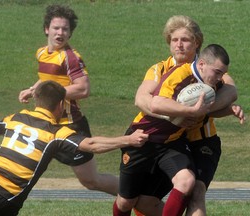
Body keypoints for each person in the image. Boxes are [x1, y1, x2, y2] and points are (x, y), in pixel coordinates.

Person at [0, 80, 148, 216]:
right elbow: (91, 145)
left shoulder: (15, 118)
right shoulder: (56, 133)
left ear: (36, 100)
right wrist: (129, 139)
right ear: (60, 105)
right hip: (6, 197)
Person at [133, 15, 245, 216]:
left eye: (185, 40)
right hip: (167, 143)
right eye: (174, 40)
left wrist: (202, 110)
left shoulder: (209, 67)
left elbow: (231, 90)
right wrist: (172, 116)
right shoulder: (159, 69)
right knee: (143, 202)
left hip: (202, 141)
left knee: (196, 192)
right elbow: (141, 100)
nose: (179, 45)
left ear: (197, 43)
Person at [113, 44, 232, 216]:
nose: (221, 78)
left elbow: (231, 91)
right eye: (218, 72)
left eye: (222, 73)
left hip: (171, 143)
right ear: (201, 64)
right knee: (126, 202)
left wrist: (230, 109)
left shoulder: (209, 80)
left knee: (187, 181)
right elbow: (156, 103)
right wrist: (190, 111)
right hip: (143, 138)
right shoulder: (179, 74)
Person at [18, 4, 119, 195]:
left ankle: (134, 196)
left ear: (70, 33)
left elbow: (83, 88)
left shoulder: (70, 58)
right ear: (47, 29)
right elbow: (48, 81)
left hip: (71, 125)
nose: (60, 33)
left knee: (91, 181)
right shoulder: (41, 53)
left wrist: (50, 93)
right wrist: (33, 89)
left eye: (65, 29)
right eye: (56, 28)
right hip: (48, 122)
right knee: (27, 162)